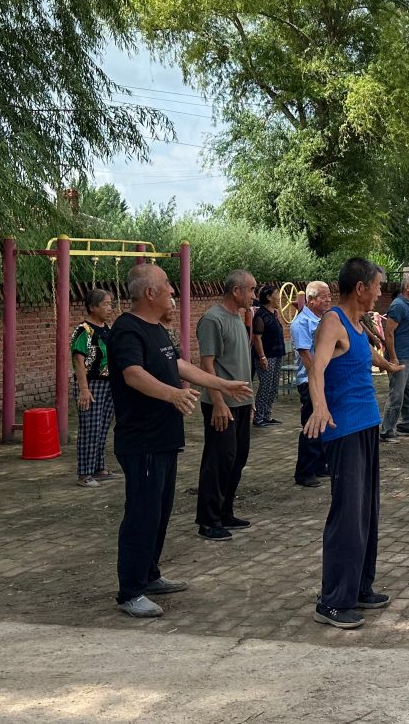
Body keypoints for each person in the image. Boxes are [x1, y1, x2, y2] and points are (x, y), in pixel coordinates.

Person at [109, 263, 251, 618]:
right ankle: (130, 590)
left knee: (159, 512)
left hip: (164, 439)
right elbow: (133, 374)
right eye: (168, 287)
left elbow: (181, 366)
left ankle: (149, 574)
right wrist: (173, 395)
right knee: (141, 514)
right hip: (141, 441)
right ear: (150, 293)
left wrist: (222, 385)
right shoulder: (128, 329)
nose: (173, 292)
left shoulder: (157, 329)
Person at [305, 258, 403, 629]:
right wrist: (319, 406)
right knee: (348, 515)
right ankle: (332, 602)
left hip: (365, 426)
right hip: (343, 429)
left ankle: (359, 587)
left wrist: (386, 364)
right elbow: (317, 366)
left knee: (366, 512)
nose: (380, 291)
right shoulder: (333, 321)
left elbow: (363, 356)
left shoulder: (358, 325)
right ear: (360, 287)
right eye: (377, 285)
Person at [195, 270, 259, 542]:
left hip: (242, 401)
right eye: (252, 290)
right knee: (218, 461)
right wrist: (219, 401)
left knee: (237, 458)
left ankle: (225, 512)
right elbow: (207, 365)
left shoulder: (238, 318)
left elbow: (242, 362)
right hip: (221, 404)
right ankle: (208, 521)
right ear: (236, 291)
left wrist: (251, 400)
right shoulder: (212, 319)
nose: (254, 295)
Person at [71, 288, 119, 487]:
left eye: (111, 304)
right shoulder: (83, 330)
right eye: (106, 304)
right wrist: (84, 389)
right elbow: (79, 360)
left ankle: (99, 468)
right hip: (92, 384)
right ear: (92, 307)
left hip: (109, 383)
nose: (110, 308)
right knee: (90, 428)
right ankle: (84, 473)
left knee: (102, 427)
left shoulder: (107, 329)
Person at [292, 280, 332, 487]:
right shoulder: (301, 323)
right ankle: (304, 472)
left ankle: (319, 465)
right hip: (310, 381)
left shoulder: (324, 320)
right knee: (311, 424)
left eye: (329, 296)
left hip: (323, 379)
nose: (328, 300)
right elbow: (306, 357)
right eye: (323, 297)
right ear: (311, 300)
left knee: (323, 424)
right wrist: (317, 383)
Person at [380, 276, 409, 442]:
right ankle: (387, 430)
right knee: (396, 394)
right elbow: (388, 333)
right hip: (399, 357)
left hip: (408, 356)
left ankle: (406, 424)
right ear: (408, 288)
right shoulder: (398, 306)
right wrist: (393, 358)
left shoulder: (407, 305)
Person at [251, 284, 286, 427]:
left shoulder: (273, 313)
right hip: (267, 356)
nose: (279, 297)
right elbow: (257, 338)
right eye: (276, 294)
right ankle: (258, 417)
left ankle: (267, 414)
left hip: (277, 354)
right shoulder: (261, 316)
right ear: (268, 297)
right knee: (265, 385)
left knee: (273, 386)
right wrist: (262, 357)